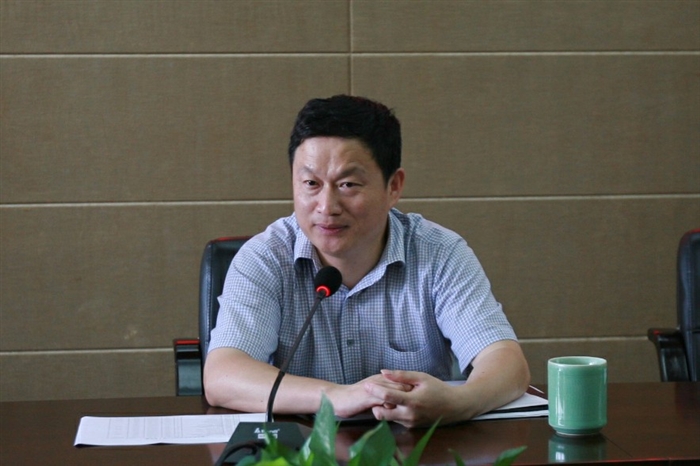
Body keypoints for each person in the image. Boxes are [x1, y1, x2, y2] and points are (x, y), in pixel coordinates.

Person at [203, 95, 530, 428]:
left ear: (394, 187)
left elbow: (506, 363)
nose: (327, 206)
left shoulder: (439, 253)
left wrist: (458, 403)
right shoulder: (266, 257)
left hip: (417, 447)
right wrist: (339, 397)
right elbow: (223, 375)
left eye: (348, 185)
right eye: (311, 184)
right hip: (299, 449)